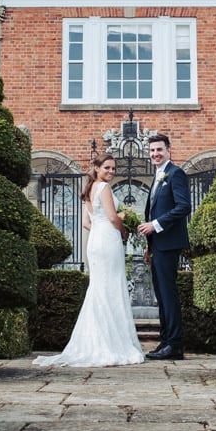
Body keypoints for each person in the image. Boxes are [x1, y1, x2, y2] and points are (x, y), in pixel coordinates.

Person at [33, 154, 146, 367]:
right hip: (108, 241)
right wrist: (124, 231)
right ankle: (111, 345)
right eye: (107, 168)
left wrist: (104, 227)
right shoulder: (103, 188)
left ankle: (97, 341)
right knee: (111, 288)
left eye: (113, 168)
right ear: (96, 167)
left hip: (95, 241)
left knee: (99, 288)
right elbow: (113, 218)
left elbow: (86, 223)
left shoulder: (88, 190)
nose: (111, 172)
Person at [137, 134, 191, 360]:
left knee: (168, 294)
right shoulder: (157, 176)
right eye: (152, 151)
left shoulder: (175, 173)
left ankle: (175, 345)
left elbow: (184, 206)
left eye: (159, 150)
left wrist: (155, 225)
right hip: (158, 245)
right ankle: (165, 341)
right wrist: (149, 246)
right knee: (161, 294)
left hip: (169, 243)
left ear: (169, 150)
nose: (155, 154)